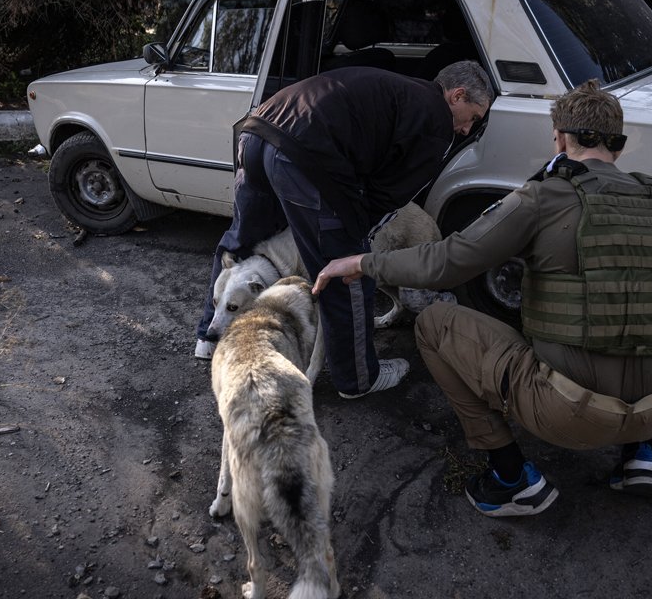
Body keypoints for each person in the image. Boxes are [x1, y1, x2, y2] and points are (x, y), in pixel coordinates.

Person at [313, 79, 652, 514]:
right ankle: (641, 454)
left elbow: (447, 262)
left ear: (560, 139)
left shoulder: (544, 196)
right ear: (619, 148)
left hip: (572, 415)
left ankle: (510, 475)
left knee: (434, 323)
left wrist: (362, 263)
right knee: (637, 304)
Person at [194, 61, 493, 400]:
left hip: (257, 131)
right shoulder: (436, 121)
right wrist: (356, 243)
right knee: (345, 273)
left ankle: (208, 336)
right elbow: (390, 195)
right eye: (474, 117)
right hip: (303, 152)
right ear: (457, 95)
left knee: (240, 243)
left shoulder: (398, 87)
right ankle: (357, 379)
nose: (468, 129)